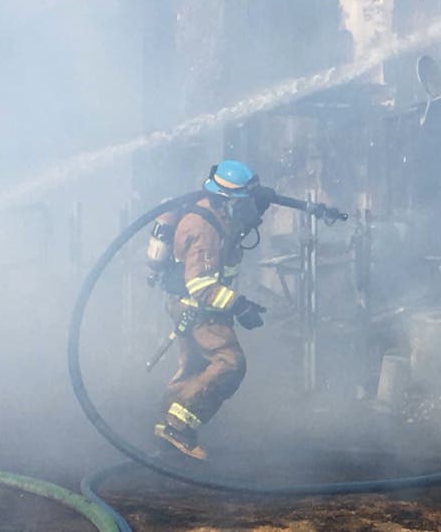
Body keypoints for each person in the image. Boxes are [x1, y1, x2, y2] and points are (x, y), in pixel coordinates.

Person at [146, 159, 345, 459]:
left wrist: (265, 201)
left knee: (195, 368)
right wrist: (239, 306)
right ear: (225, 200)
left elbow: (242, 218)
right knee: (229, 363)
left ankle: (166, 430)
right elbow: (201, 286)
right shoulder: (203, 230)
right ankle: (177, 427)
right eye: (243, 203)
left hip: (195, 306)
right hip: (199, 309)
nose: (247, 208)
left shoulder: (219, 212)